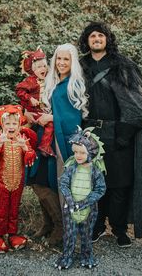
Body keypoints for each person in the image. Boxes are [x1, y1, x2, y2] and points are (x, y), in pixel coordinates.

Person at [79, 21, 142, 247]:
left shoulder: (122, 65)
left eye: (100, 35)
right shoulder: (80, 66)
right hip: (89, 133)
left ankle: (120, 229)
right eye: (92, 35)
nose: (96, 39)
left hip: (118, 132)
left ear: (107, 39)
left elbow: (136, 106)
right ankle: (97, 226)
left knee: (120, 184)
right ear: (87, 40)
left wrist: (124, 132)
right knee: (95, 183)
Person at [25, 43, 88, 246]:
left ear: (72, 62)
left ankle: (60, 227)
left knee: (51, 181)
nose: (61, 63)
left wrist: (50, 118)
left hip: (61, 140)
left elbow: (74, 118)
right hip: (44, 138)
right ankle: (49, 223)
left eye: (66, 59)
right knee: (37, 179)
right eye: (58, 59)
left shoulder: (74, 84)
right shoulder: (50, 81)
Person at [0, 104, 37, 253]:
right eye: (7, 123)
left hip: (18, 182)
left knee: (14, 210)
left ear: (19, 124)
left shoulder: (23, 138)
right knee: (1, 210)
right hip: (2, 182)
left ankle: (13, 235)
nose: (11, 126)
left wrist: (25, 148)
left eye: (14, 123)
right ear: (2, 124)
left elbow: (30, 158)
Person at [55, 126, 106, 270]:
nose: (78, 155)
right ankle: (66, 257)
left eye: (82, 152)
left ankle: (86, 256)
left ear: (91, 152)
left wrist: (86, 202)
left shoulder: (96, 170)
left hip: (89, 210)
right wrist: (70, 200)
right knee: (69, 235)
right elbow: (63, 183)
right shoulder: (71, 167)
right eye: (76, 152)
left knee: (86, 235)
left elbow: (101, 189)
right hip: (70, 209)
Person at [16, 48, 55, 157]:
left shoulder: (48, 79)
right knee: (24, 128)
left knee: (50, 125)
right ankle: (15, 144)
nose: (43, 69)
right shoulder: (30, 81)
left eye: (44, 66)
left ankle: (44, 145)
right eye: (39, 67)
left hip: (42, 112)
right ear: (33, 70)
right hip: (33, 111)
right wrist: (29, 98)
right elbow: (19, 90)